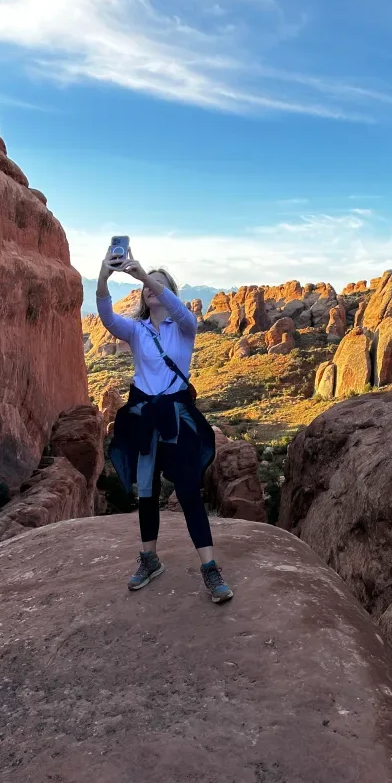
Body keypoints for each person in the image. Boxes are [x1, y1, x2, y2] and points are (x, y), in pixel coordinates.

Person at [96, 250, 233, 603]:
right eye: (146, 285)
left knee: (187, 490)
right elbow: (108, 317)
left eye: (159, 283)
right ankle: (149, 559)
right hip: (145, 417)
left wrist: (144, 275)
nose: (150, 289)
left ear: (168, 291)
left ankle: (210, 568)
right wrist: (102, 276)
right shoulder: (137, 329)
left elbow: (183, 312)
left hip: (176, 415)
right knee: (147, 491)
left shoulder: (184, 326)